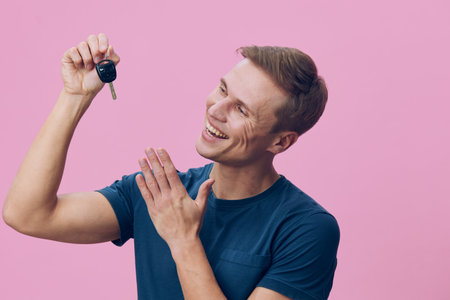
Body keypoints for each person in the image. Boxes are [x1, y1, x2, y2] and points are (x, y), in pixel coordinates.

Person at [3, 33, 340, 300]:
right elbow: (28, 214)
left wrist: (183, 240)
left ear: (280, 142)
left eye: (241, 109)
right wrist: (74, 96)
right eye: (222, 89)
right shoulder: (159, 194)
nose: (215, 109)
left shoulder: (307, 229)